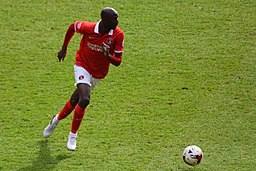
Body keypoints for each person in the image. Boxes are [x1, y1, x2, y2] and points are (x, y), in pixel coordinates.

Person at [43, 7, 125, 151]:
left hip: (98, 74)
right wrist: (64, 48)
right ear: (105, 20)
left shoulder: (118, 35)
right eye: (114, 18)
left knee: (76, 100)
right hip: (82, 65)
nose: (117, 21)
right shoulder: (89, 28)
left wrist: (108, 56)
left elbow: (118, 61)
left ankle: (56, 120)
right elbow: (72, 27)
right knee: (85, 99)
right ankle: (72, 135)